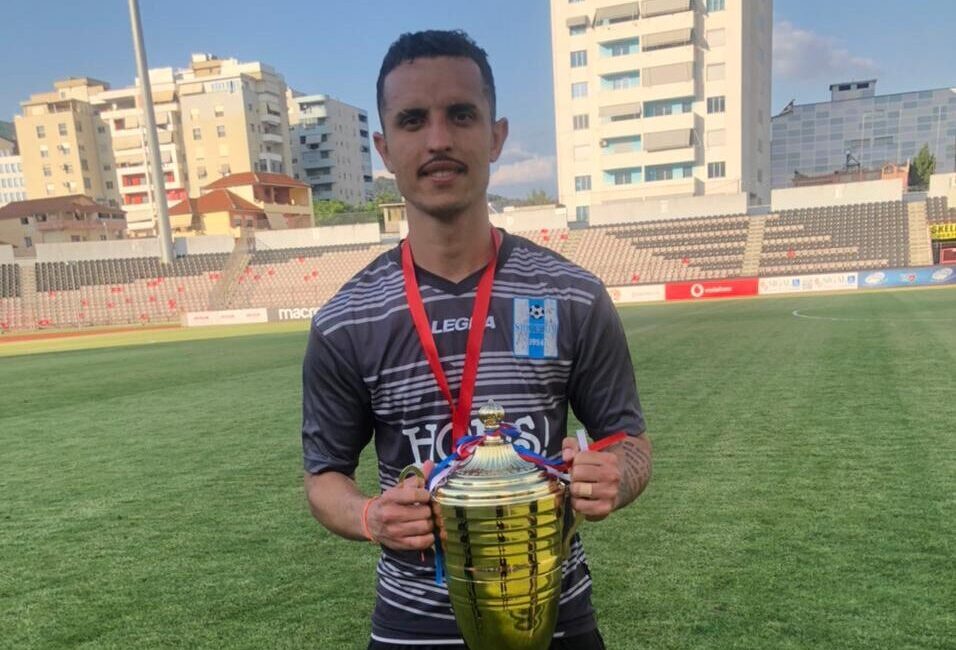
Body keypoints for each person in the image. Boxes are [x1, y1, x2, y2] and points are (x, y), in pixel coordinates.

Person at [302, 29, 652, 650]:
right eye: (413, 120)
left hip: (552, 617)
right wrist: (368, 515)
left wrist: (613, 476)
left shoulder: (573, 295)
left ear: (496, 135)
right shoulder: (345, 319)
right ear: (384, 148)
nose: (438, 140)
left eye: (460, 114)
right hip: (413, 628)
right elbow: (323, 476)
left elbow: (629, 442)